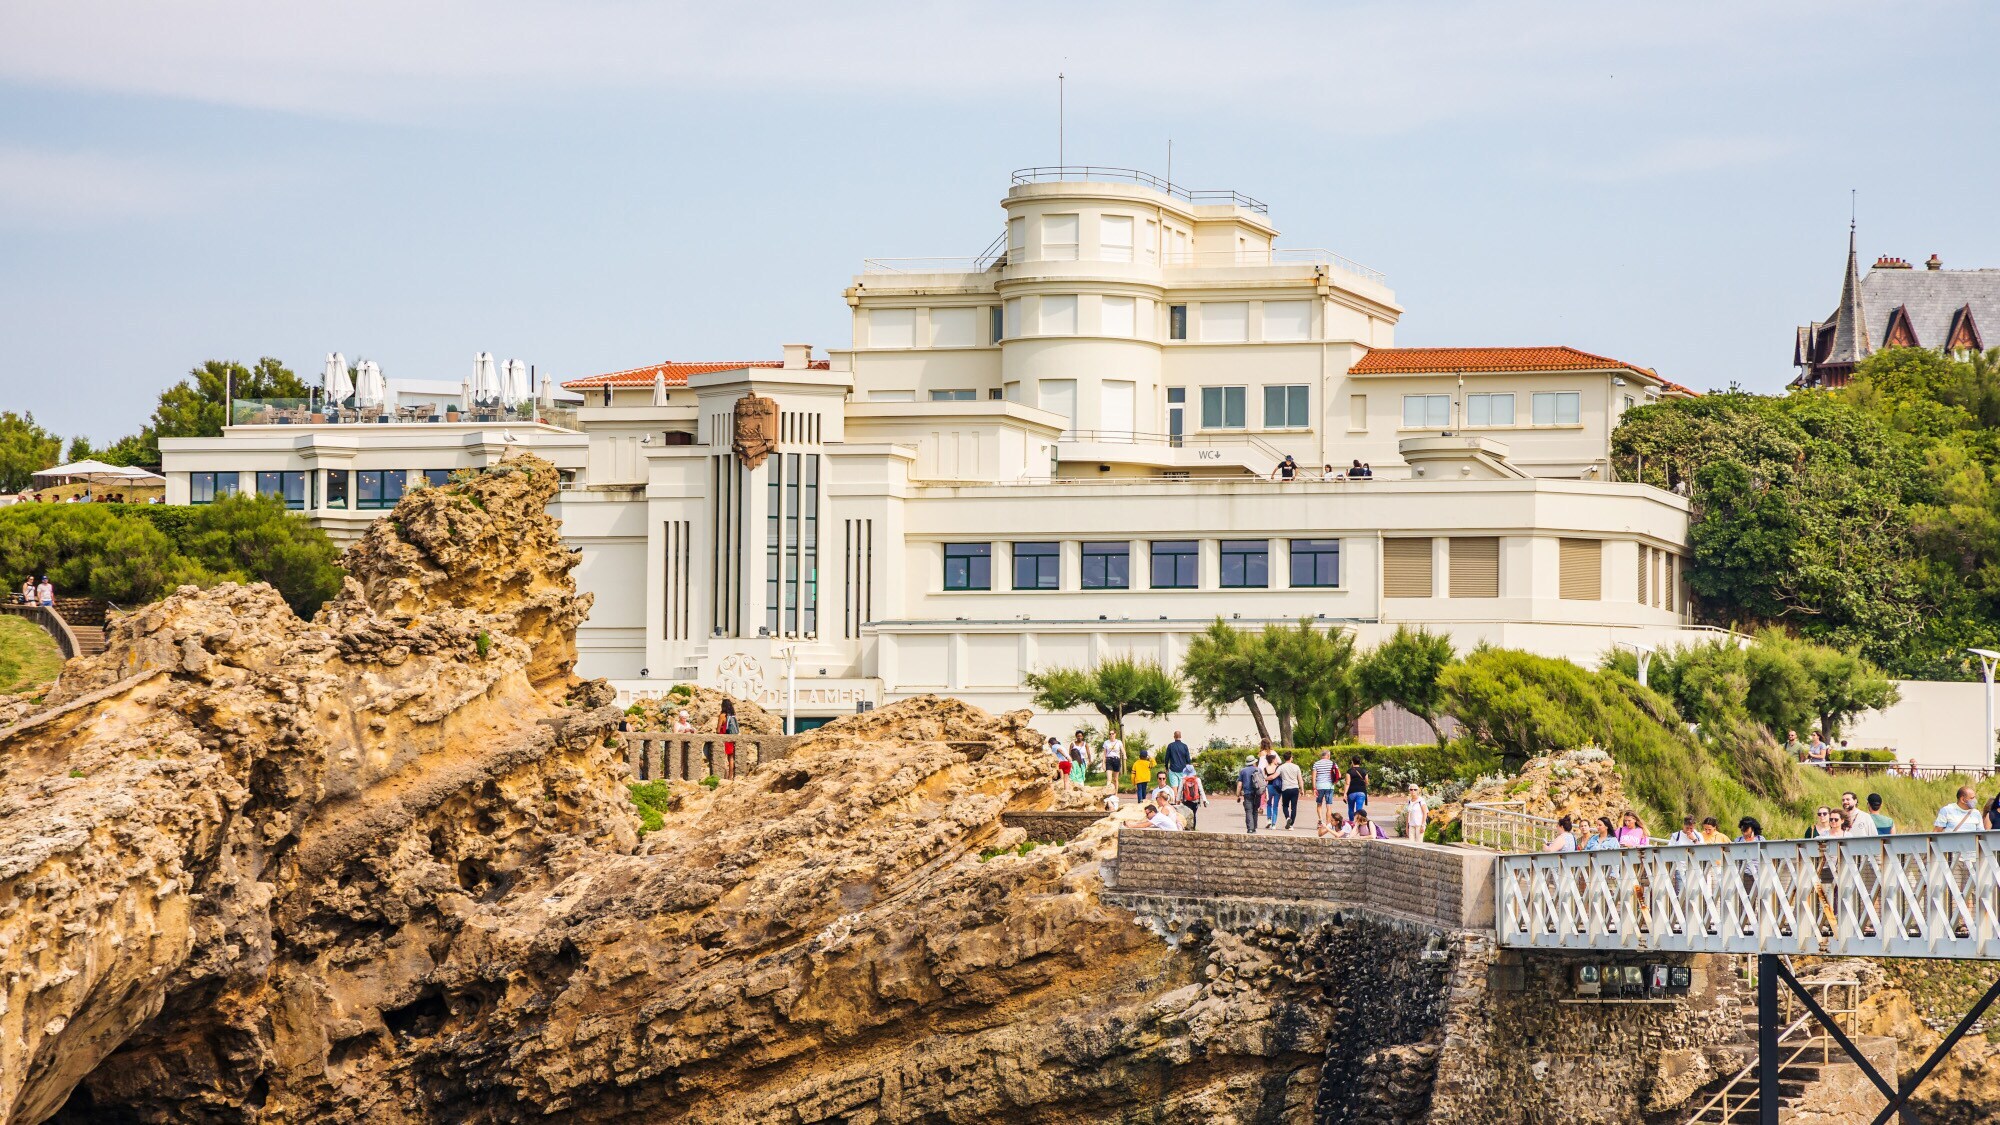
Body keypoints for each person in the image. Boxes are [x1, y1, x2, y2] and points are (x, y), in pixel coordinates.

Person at [1312, 748, 1341, 835]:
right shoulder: (1333, 763)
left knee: (1319, 804)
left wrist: (1314, 788)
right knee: (1328, 805)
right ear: (1328, 755)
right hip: (1329, 786)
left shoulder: (1316, 764)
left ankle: (1320, 820)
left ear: (1322, 755)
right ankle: (1328, 824)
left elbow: (1313, 776)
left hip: (1320, 786)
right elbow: (1339, 775)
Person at [1237, 755, 1264, 834]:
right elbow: (1262, 782)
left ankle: (1250, 828)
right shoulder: (1259, 770)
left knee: (1249, 811)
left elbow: (1239, 784)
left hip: (1247, 793)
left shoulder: (1243, 771)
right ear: (1254, 762)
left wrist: (1238, 795)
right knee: (1255, 810)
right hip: (1257, 793)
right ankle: (1254, 828)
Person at [1278, 751, 1304, 829]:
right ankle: (1291, 824)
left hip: (1285, 788)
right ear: (1290, 758)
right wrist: (1302, 789)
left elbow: (1277, 775)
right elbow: (1300, 779)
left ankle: (1287, 818)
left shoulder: (1281, 767)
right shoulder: (1296, 767)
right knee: (1294, 807)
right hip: (1295, 788)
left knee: (1285, 805)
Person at [1259, 745, 1283, 830]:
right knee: (1275, 806)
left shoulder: (1265, 769)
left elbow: (1264, 778)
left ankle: (1268, 819)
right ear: (1273, 760)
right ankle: (1273, 824)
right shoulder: (1278, 768)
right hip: (1277, 787)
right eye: (1275, 759)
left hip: (1269, 787)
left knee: (1268, 804)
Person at [716, 698, 738, 780]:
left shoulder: (722, 716)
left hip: (723, 739)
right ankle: (730, 776)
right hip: (731, 738)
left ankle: (723, 776)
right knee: (731, 758)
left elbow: (718, 730)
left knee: (723, 757)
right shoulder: (732, 716)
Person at [1345, 755, 1369, 822]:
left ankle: (1351, 823)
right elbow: (1367, 782)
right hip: (1361, 792)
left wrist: (1345, 793)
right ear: (1360, 762)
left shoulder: (1349, 771)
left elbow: (1347, 783)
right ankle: (1358, 823)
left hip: (1351, 792)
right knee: (1359, 809)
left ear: (1352, 762)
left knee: (1351, 809)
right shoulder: (1364, 771)